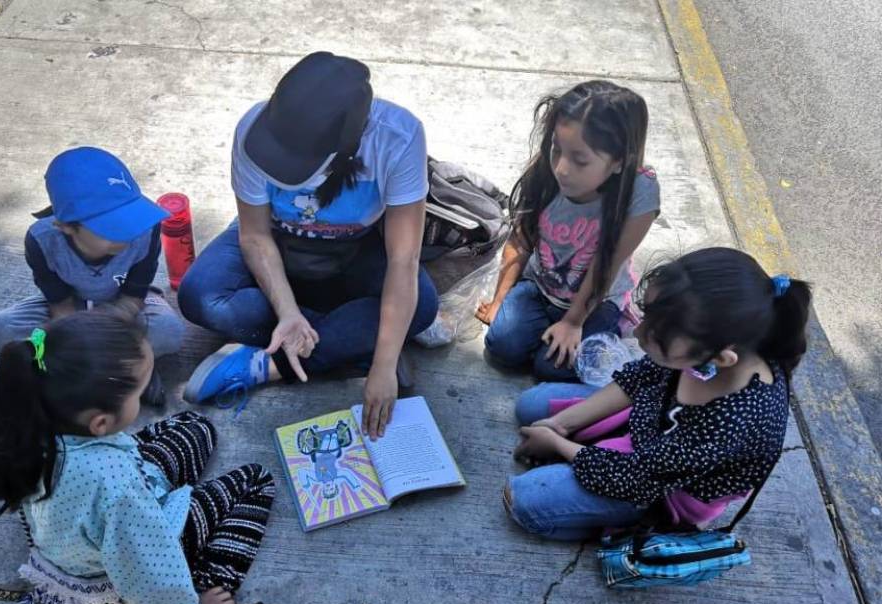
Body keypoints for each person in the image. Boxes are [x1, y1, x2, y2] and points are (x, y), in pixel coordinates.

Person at [0, 311, 277, 604]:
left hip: (73, 537)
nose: (146, 396)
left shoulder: (33, 419)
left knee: (194, 425)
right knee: (257, 479)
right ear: (101, 423)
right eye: (139, 390)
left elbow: (113, 471)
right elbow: (148, 567)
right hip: (112, 586)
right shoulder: (117, 488)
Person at [177, 52, 438, 439]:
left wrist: (383, 367)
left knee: (424, 307)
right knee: (200, 296)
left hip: (357, 248)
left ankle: (267, 363)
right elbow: (254, 234)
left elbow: (403, 258)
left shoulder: (398, 137)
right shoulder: (253, 128)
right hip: (276, 240)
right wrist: (286, 311)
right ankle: (347, 342)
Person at [507, 248, 811, 540]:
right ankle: (590, 461)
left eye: (659, 334)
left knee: (525, 502)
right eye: (647, 315)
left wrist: (558, 445)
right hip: (651, 431)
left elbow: (637, 478)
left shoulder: (736, 420)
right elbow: (639, 378)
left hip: (664, 489)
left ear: (719, 358)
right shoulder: (705, 348)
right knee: (531, 405)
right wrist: (563, 424)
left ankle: (627, 526)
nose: (638, 334)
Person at [477, 81, 660, 382]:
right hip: (540, 288)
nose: (562, 167)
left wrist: (574, 322)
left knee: (549, 368)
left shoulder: (639, 193)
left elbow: (607, 263)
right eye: (556, 150)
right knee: (502, 347)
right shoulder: (547, 173)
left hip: (596, 301)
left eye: (580, 160)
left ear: (618, 162)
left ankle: (588, 330)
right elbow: (521, 237)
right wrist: (499, 300)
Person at [0, 146, 183, 405]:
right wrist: (80, 339)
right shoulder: (41, 241)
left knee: (168, 330)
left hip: (123, 308)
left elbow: (133, 296)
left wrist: (105, 326)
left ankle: (114, 369)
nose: (128, 233)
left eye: (131, 218)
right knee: (1, 330)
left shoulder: (146, 230)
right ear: (67, 227)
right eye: (111, 227)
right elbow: (60, 306)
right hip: (68, 312)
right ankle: (126, 367)